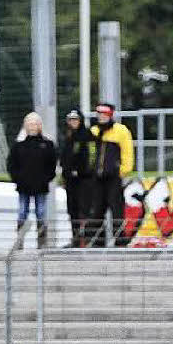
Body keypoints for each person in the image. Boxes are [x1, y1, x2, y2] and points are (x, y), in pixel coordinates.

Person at [6, 112, 57, 249]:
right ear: (25, 126)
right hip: (23, 186)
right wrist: (17, 178)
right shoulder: (19, 145)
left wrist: (47, 178)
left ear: (39, 126)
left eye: (35, 123)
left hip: (41, 185)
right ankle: (20, 241)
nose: (32, 126)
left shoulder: (47, 144)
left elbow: (52, 164)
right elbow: (11, 164)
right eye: (30, 124)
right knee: (22, 212)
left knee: (41, 213)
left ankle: (42, 242)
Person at [89, 103, 134, 247]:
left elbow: (127, 152)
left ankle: (120, 240)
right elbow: (90, 153)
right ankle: (98, 240)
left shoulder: (121, 131)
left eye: (104, 114)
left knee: (116, 209)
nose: (101, 117)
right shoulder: (94, 131)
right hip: (97, 178)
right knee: (97, 209)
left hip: (113, 177)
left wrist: (122, 170)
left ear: (110, 115)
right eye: (99, 114)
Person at [59, 109, 94, 247]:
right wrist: (64, 176)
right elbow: (64, 158)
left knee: (83, 210)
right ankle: (75, 239)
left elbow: (91, 157)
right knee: (72, 209)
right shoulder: (67, 136)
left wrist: (84, 172)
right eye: (71, 120)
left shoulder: (87, 135)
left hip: (84, 181)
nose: (73, 122)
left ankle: (85, 240)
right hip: (70, 181)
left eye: (76, 119)